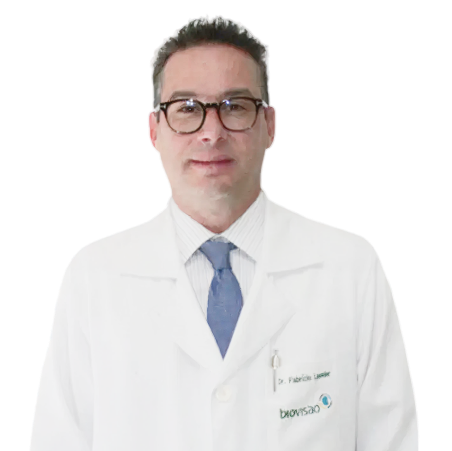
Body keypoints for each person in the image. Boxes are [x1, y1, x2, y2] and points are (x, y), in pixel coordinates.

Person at [29, 15, 419, 451]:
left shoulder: (349, 267)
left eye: (235, 106)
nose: (212, 133)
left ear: (269, 125)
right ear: (154, 131)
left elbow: (393, 442)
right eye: (187, 109)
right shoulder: (94, 277)